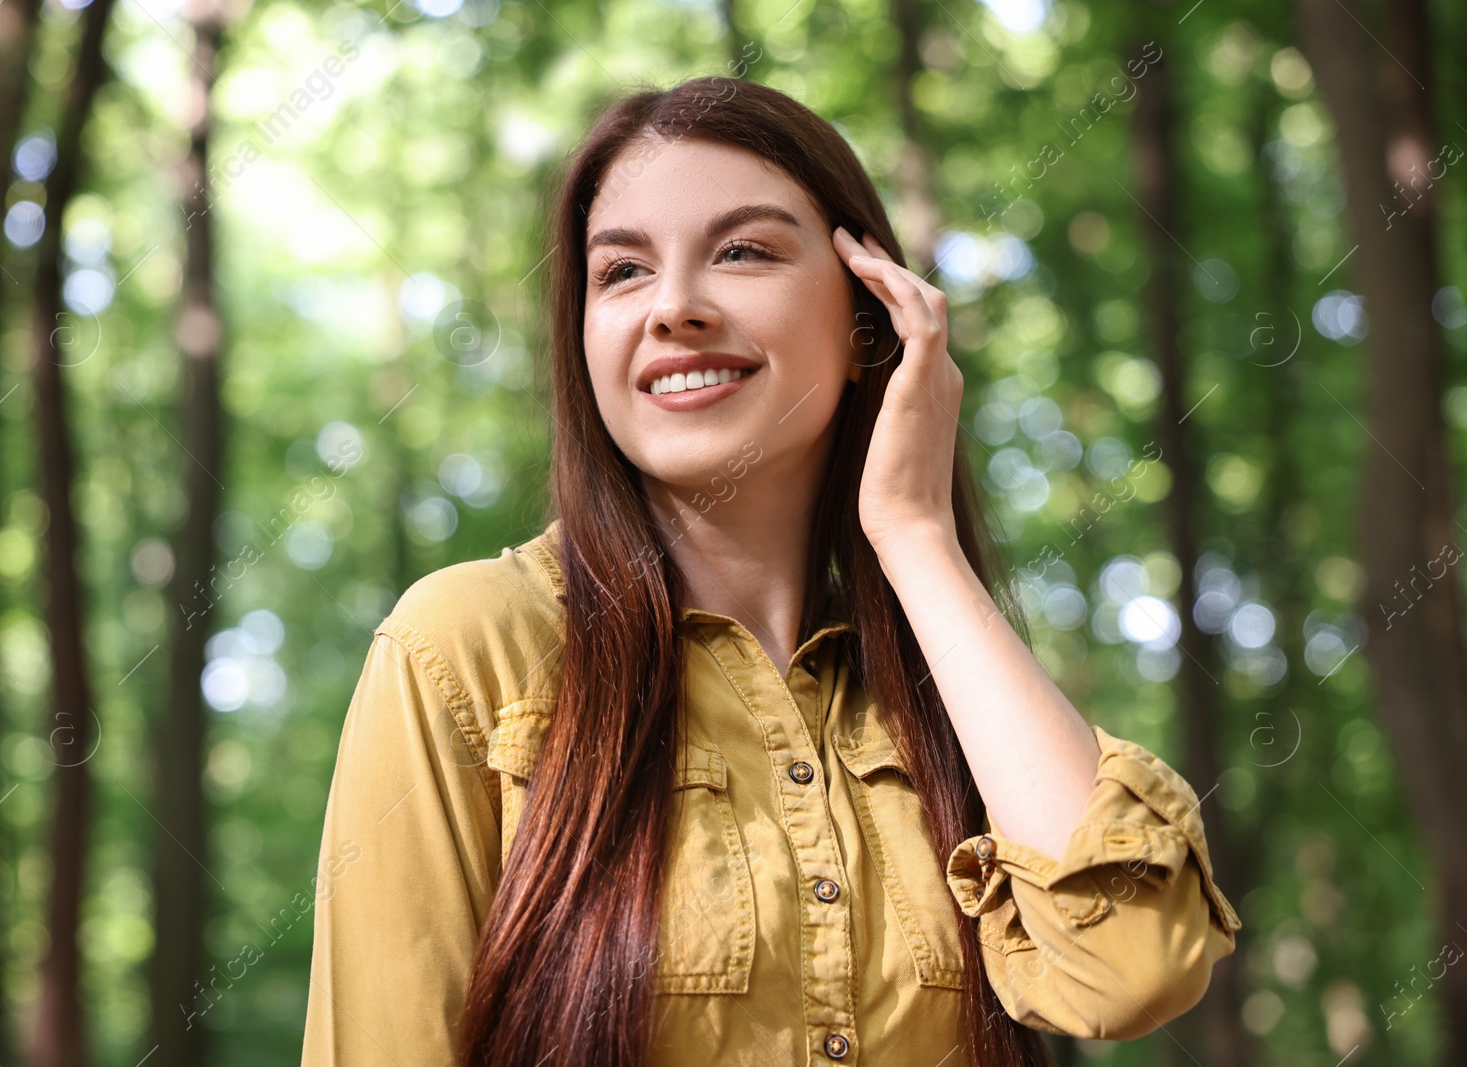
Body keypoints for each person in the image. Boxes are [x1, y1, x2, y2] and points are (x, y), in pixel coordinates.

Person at [300, 75, 1240, 1067]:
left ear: (866, 321)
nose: (672, 307)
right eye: (621, 271)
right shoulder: (464, 645)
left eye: (742, 251)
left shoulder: (950, 679)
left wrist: (915, 536)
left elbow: (1131, 966)